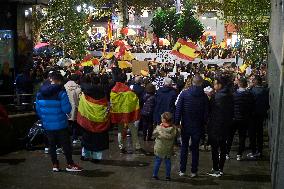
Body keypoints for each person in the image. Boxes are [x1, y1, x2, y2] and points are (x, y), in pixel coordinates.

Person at [36, 72, 82, 172]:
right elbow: (67, 109)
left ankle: (55, 165)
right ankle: (70, 164)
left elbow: (38, 110)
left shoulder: (39, 93)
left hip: (47, 125)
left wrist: (45, 118)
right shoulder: (61, 92)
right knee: (66, 145)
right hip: (61, 124)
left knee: (52, 145)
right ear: (58, 81)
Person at [175, 75, 209, 178]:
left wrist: (177, 123)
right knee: (195, 149)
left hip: (185, 124)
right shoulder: (204, 96)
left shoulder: (184, 94)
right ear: (201, 83)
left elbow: (178, 110)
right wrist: (204, 124)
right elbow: (206, 113)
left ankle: (182, 170)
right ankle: (194, 171)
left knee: (184, 148)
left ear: (192, 82)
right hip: (198, 126)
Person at [77, 75, 110, 162]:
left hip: (87, 120)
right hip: (100, 121)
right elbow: (106, 106)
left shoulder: (85, 93)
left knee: (86, 137)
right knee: (98, 140)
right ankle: (96, 158)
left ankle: (85, 155)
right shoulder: (103, 93)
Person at [110, 74, 144, 154]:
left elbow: (112, 102)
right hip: (127, 113)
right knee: (133, 130)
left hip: (118, 113)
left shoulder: (113, 90)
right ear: (125, 80)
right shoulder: (128, 90)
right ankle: (137, 146)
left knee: (120, 130)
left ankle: (121, 146)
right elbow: (134, 99)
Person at [207, 75, 233, 177]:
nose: (213, 85)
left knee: (215, 148)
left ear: (220, 85)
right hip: (226, 125)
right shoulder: (229, 94)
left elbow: (210, 110)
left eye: (215, 84)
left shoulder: (216, 96)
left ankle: (216, 169)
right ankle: (220, 168)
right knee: (223, 148)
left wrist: (210, 97)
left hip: (216, 125)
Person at [227, 78, 254, 161]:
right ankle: (239, 154)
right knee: (242, 137)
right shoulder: (249, 94)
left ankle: (226, 153)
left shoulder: (233, 94)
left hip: (234, 118)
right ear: (246, 84)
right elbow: (251, 106)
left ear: (239, 84)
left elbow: (230, 106)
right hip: (244, 119)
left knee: (230, 136)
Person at [247, 76, 269, 159]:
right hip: (261, 115)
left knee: (252, 134)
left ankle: (253, 151)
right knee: (260, 133)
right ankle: (259, 151)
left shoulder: (252, 91)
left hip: (252, 115)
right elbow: (267, 103)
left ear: (255, 82)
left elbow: (249, 103)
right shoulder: (265, 91)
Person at [152, 112, 179, 181]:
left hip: (159, 148)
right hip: (168, 149)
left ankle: (155, 175)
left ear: (163, 120)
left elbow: (154, 134)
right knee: (168, 162)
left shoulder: (159, 128)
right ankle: (167, 176)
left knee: (157, 161)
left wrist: (158, 130)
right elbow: (178, 133)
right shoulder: (173, 129)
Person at [64, 74, 82, 145]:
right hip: (75, 108)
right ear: (77, 80)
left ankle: (65, 138)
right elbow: (80, 99)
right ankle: (75, 138)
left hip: (66, 108)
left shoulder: (64, 87)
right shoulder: (78, 88)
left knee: (66, 124)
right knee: (75, 124)